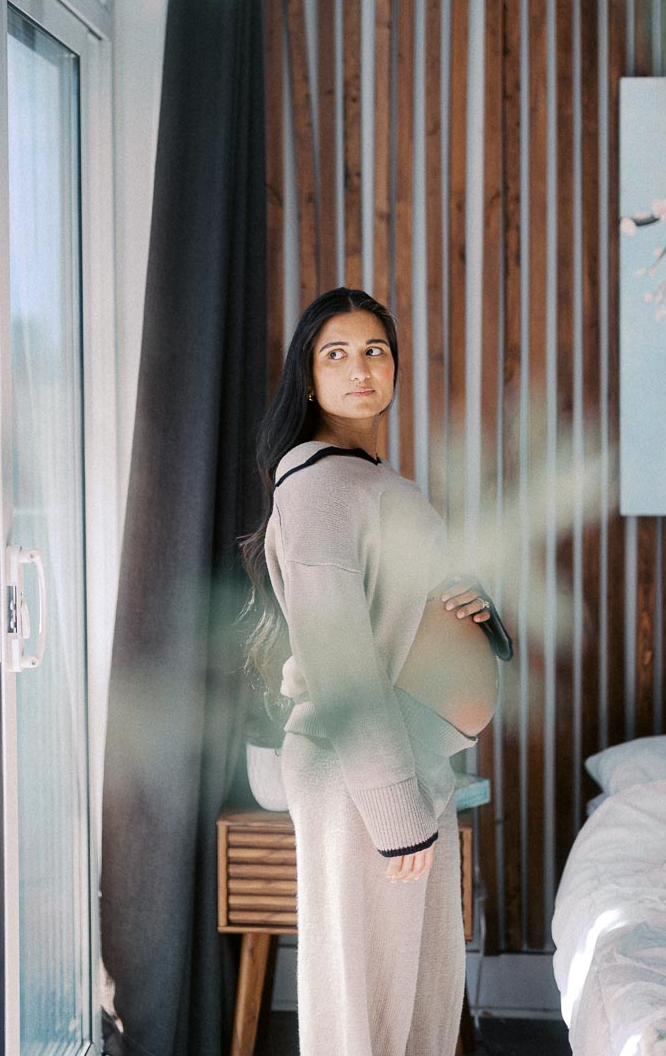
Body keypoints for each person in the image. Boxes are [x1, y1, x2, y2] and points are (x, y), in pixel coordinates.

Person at [240, 287, 512, 1056]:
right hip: (363, 772)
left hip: (410, 757)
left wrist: (477, 609)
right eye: (337, 354)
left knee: (417, 1002)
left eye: (375, 351)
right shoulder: (318, 483)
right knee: (363, 1009)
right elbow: (339, 658)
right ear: (308, 376)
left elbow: (400, 613)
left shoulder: (365, 477)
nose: (361, 368)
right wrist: (396, 816)